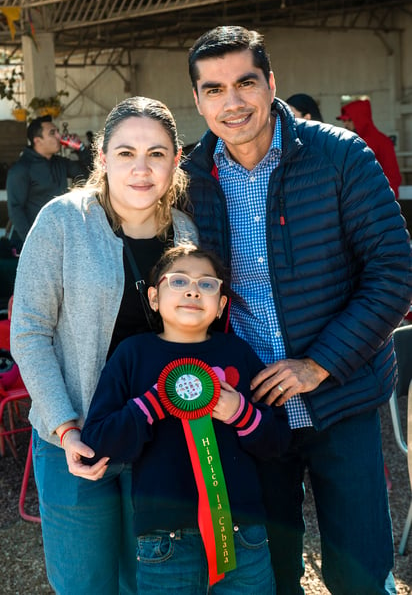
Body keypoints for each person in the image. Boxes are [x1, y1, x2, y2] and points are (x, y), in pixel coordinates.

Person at [182, 25, 412, 594]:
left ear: (271, 83)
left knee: (359, 571)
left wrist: (318, 364)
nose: (231, 102)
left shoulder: (339, 156)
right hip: (252, 407)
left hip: (343, 395)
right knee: (273, 571)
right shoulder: (192, 178)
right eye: (213, 89)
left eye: (245, 83)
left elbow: (394, 272)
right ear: (197, 99)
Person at [10, 96, 199, 595]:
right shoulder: (62, 222)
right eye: (125, 153)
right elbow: (28, 330)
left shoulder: (186, 234)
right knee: (84, 584)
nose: (141, 168)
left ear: (176, 161)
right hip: (73, 439)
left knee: (153, 580)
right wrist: (65, 428)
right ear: (101, 158)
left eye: (157, 154)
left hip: (159, 439)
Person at [82, 243, 291, 595]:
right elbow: (98, 440)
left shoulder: (237, 352)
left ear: (223, 303)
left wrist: (240, 413)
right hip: (164, 540)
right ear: (153, 297)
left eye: (207, 284)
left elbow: (279, 441)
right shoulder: (132, 355)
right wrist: (151, 404)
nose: (193, 290)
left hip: (244, 534)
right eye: (178, 281)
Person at [6, 115, 89, 246]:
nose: (59, 136)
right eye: (52, 133)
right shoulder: (21, 169)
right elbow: (16, 209)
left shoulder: (60, 163)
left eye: (57, 131)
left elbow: (89, 174)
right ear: (38, 140)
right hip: (38, 242)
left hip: (63, 238)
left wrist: (81, 149)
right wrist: (32, 243)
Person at [336, 98, 402, 198]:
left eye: (349, 120)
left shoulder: (383, 142)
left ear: (361, 119)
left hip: (377, 203)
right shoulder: (349, 143)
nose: (345, 124)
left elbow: (393, 176)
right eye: (344, 120)